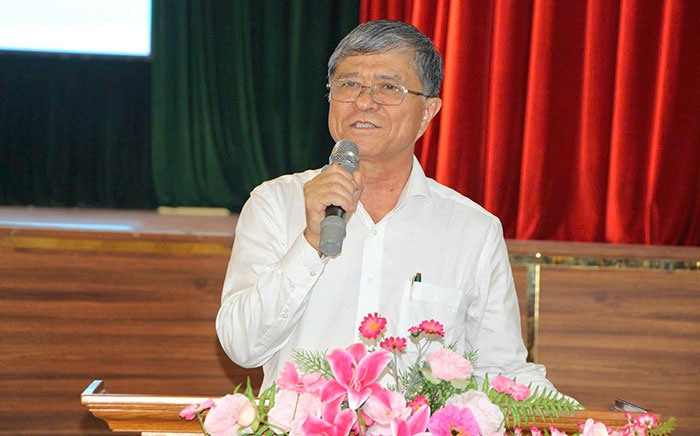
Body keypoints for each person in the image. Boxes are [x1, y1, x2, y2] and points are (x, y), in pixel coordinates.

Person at [216, 20, 560, 394]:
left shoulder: (472, 229)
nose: (364, 101)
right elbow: (242, 346)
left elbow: (502, 370)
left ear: (427, 111)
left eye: (388, 87)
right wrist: (311, 242)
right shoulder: (275, 204)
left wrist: (584, 419)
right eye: (349, 84)